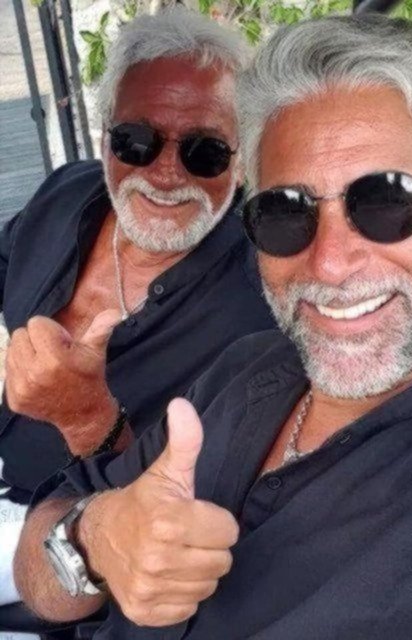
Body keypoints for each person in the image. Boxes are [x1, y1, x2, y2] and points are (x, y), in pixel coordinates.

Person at [15, 13, 412, 640]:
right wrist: (91, 540)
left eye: (387, 202)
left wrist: (90, 423)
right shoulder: (249, 369)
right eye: (285, 211)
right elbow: (39, 562)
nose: (330, 263)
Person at [0, 7, 274, 609]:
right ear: (105, 137)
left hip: (60, 555)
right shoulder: (67, 193)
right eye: (136, 141)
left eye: (205, 152)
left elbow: (176, 520)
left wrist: (89, 421)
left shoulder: (261, 308)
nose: (165, 173)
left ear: (243, 159)